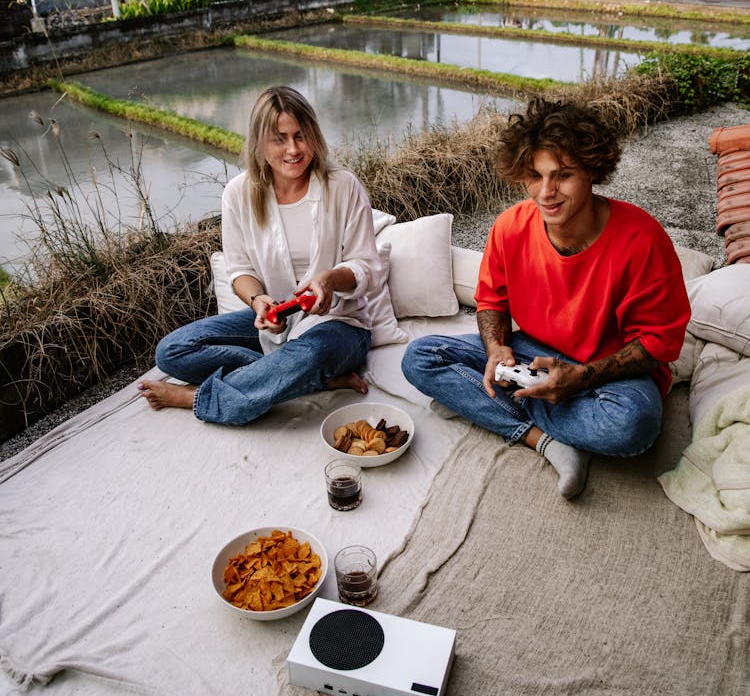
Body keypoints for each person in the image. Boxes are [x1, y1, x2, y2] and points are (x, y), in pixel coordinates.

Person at [401, 96, 691, 500]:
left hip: (609, 375)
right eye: (535, 176)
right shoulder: (509, 228)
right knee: (420, 358)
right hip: (532, 353)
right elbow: (491, 302)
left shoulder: (642, 240)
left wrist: (579, 378)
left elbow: (660, 345)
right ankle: (545, 440)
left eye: (563, 175)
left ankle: (497, 405)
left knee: (634, 427)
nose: (546, 192)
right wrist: (496, 348)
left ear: (593, 170)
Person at [138, 85, 380, 425]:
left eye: (300, 135)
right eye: (279, 138)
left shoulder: (343, 186)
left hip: (339, 323)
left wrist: (329, 279)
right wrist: (258, 301)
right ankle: (305, 379)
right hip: (279, 318)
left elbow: (366, 266)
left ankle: (200, 397)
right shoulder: (238, 194)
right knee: (173, 351)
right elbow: (239, 270)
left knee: (313, 351)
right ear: (260, 143)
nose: (293, 149)